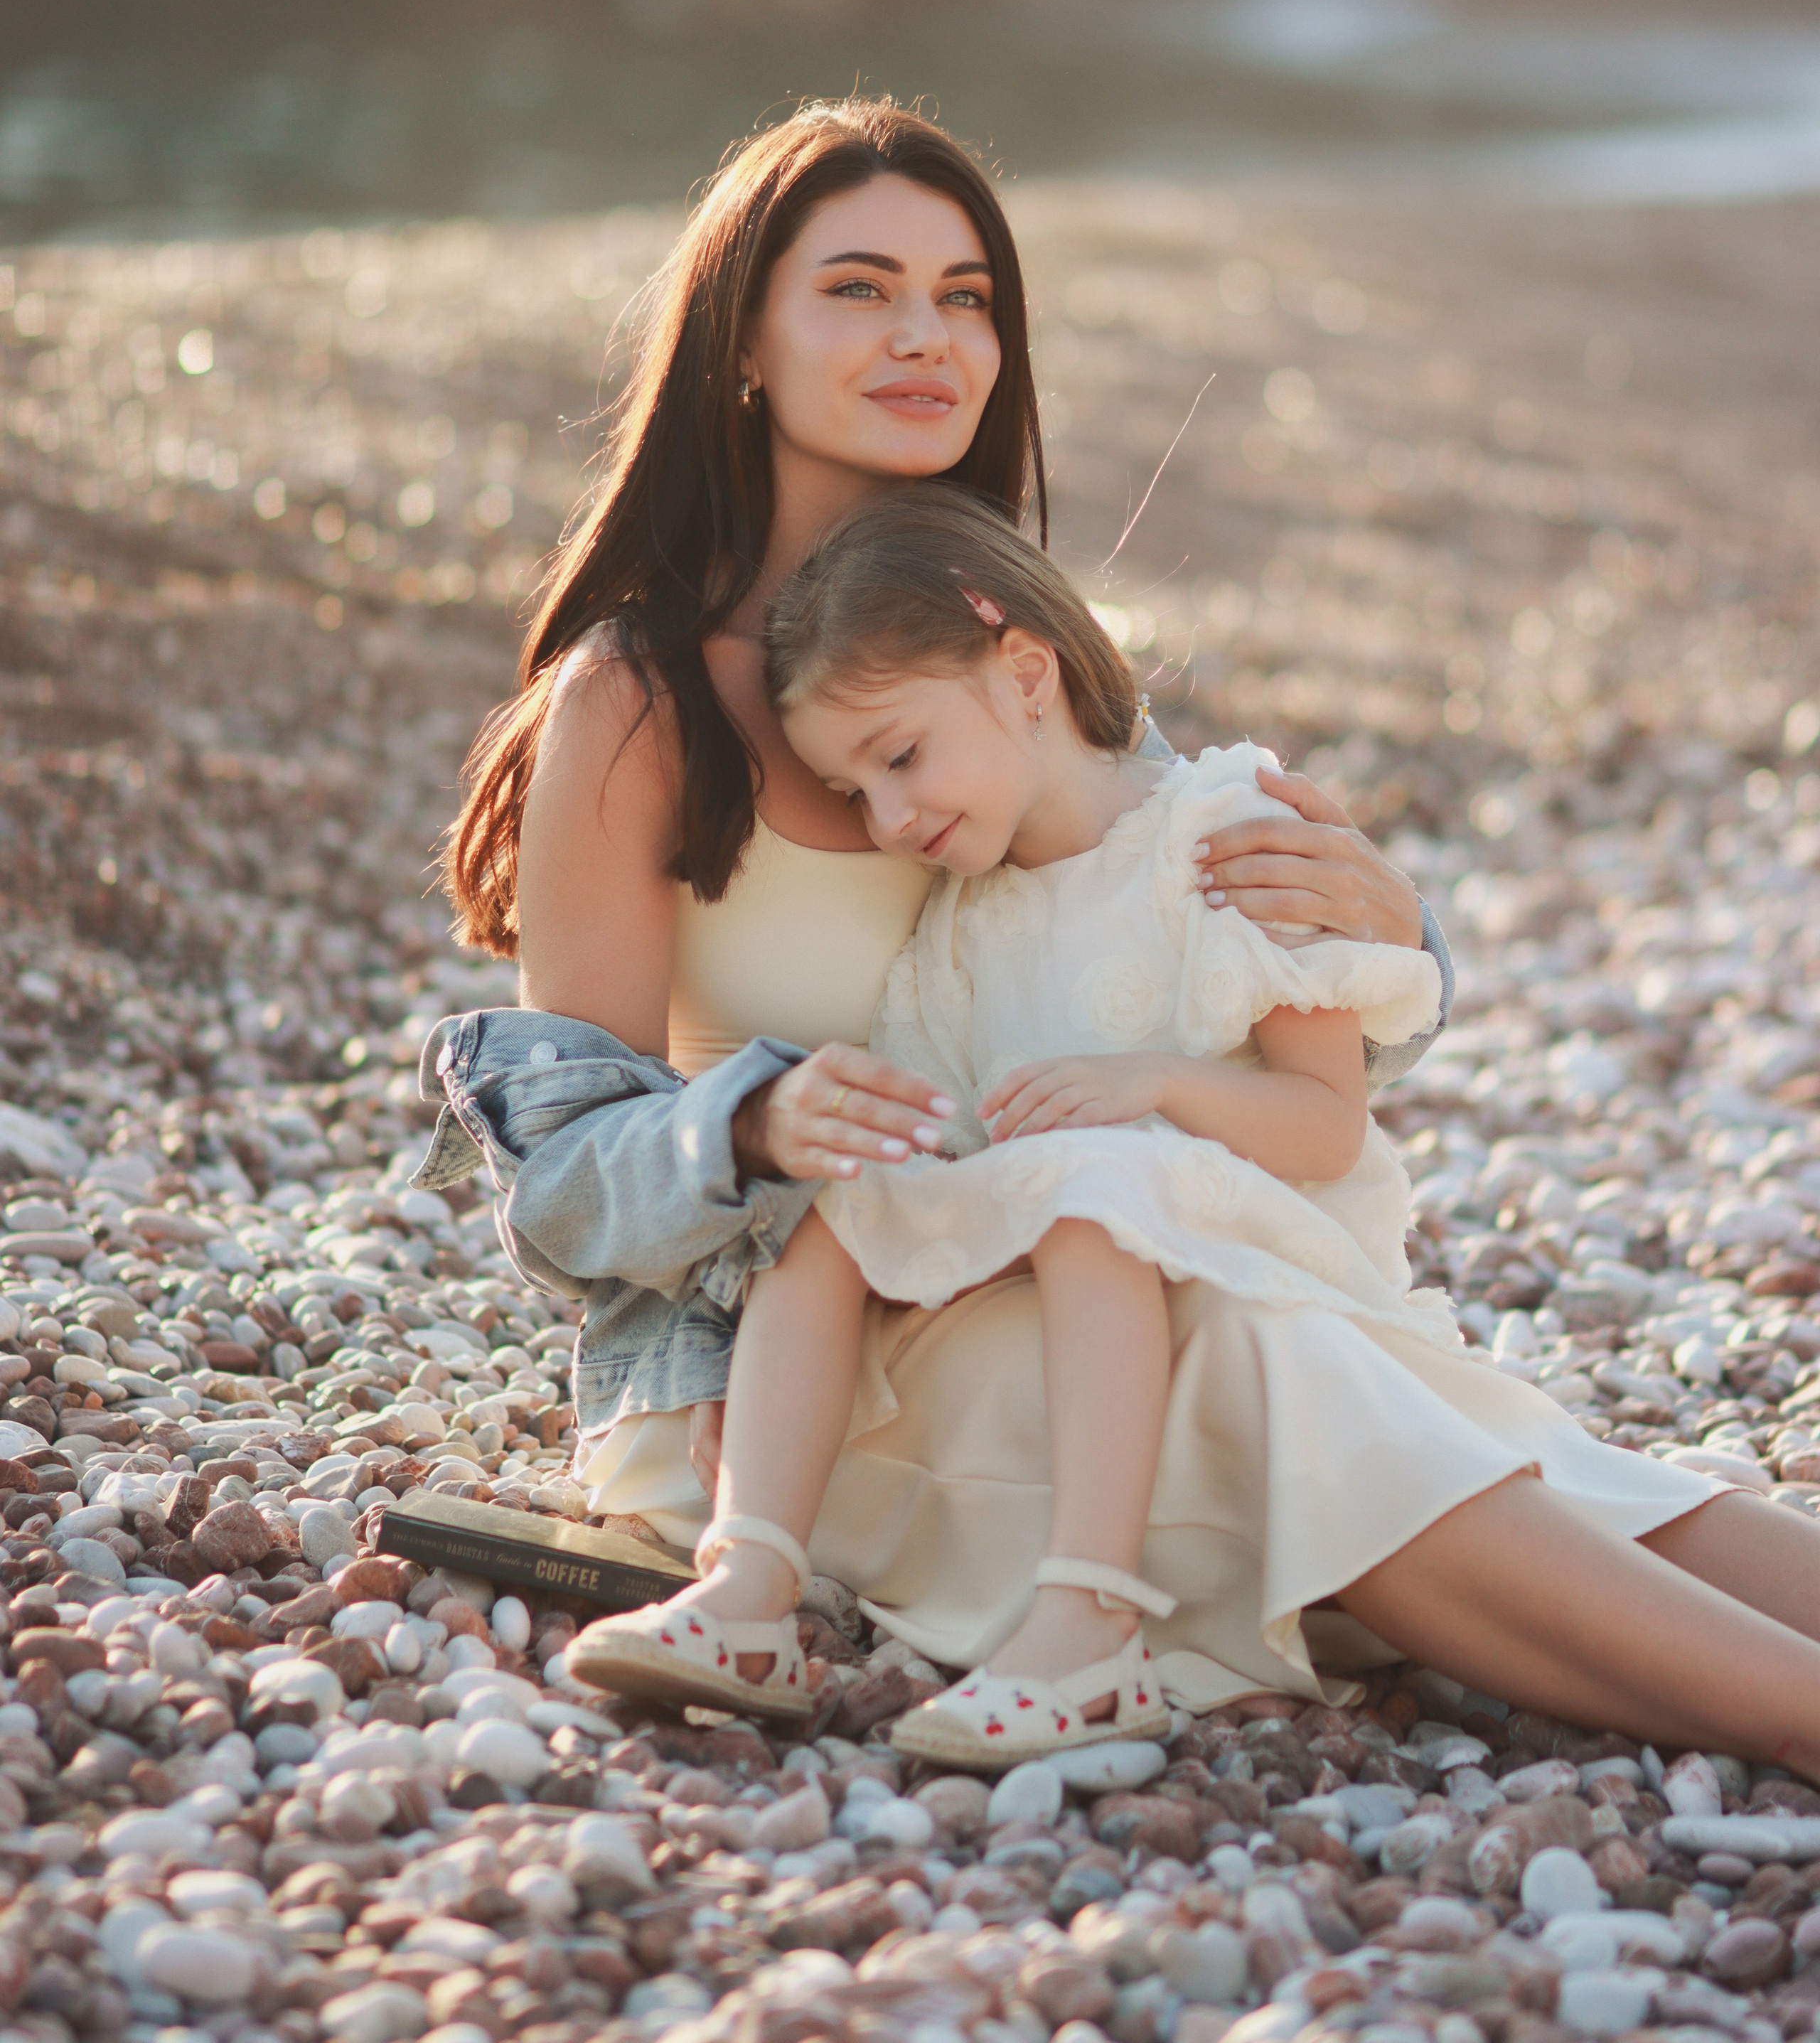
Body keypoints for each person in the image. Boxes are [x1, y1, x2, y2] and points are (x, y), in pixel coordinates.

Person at [422, 97, 1820, 1764]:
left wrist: (1401, 933)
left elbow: (1238, 963)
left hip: (1055, 1275)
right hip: (793, 1374)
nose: (927, 337)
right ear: (741, 341)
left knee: (1460, 1416)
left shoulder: (989, 651)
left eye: (967, 297)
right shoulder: (640, 701)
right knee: (1263, 1364)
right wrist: (758, 1116)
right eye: (858, 290)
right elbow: (566, 1182)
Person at [565, 491, 1447, 1764]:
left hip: (1263, 1249)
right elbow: (949, 1142)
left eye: (901, 756)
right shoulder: (963, 917)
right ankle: (748, 1584)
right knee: (840, 1205)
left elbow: (1325, 1128)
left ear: (1023, 671)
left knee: (1090, 1188)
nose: (886, 818)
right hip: (1076, 1232)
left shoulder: (1224, 831)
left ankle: (1087, 1624)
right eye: (852, 789)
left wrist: (1152, 1091)